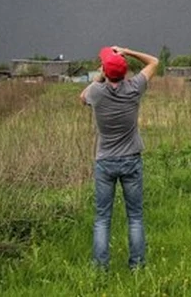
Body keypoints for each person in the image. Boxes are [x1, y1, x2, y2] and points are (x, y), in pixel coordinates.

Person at [80, 45, 158, 270]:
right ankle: (137, 266)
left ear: (105, 70)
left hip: (105, 161)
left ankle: (100, 267)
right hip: (131, 159)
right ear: (125, 73)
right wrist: (127, 51)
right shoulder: (134, 88)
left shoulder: (96, 91)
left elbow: (82, 97)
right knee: (135, 217)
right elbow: (154, 61)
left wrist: (101, 75)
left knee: (103, 218)